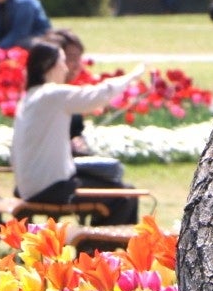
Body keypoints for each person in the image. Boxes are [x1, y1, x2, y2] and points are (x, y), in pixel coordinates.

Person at [11, 42, 147, 225]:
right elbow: (97, 95)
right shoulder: (51, 94)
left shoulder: (29, 97)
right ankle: (96, 242)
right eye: (62, 62)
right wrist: (132, 76)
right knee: (126, 195)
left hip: (28, 187)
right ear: (48, 66)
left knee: (116, 187)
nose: (66, 68)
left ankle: (94, 240)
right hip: (51, 188)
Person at [37, 28, 126, 187]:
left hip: (63, 169)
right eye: (71, 58)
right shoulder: (47, 97)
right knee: (121, 190)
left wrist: (77, 141)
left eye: (79, 58)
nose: (77, 65)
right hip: (51, 176)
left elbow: (73, 133)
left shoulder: (63, 95)